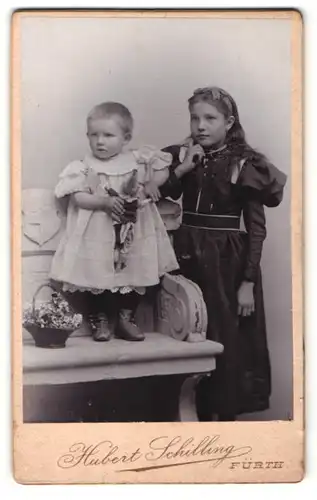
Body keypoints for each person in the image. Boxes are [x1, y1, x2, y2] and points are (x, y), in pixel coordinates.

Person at [144, 86, 287, 421]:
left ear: (229, 122)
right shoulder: (183, 156)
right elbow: (157, 196)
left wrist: (248, 281)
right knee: (181, 331)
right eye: (195, 118)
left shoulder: (244, 164)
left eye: (210, 118)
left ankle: (219, 421)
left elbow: (256, 229)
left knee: (223, 336)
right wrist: (182, 168)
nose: (201, 126)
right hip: (185, 252)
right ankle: (184, 413)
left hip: (226, 262)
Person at [50, 102, 179, 342]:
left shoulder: (138, 160)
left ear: (126, 137)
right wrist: (104, 202)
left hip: (133, 230)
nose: (100, 141)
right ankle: (99, 319)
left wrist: (152, 183)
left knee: (136, 271)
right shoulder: (83, 166)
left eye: (108, 135)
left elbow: (163, 170)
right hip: (98, 231)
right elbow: (78, 197)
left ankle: (125, 317)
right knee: (95, 273)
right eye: (94, 135)